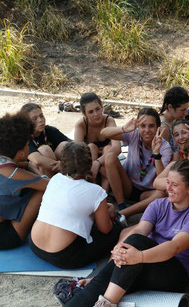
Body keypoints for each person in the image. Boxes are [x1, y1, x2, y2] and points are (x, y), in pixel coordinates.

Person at [19, 160, 189, 307]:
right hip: (145, 262)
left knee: (133, 246)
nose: (169, 188)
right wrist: (120, 252)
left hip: (174, 272)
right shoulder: (159, 205)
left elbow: (173, 248)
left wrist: (137, 255)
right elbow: (140, 229)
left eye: (175, 185)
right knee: (107, 274)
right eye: (168, 182)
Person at [29, 141, 120, 268]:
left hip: (34, 244)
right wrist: (110, 215)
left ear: (63, 163)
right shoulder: (96, 191)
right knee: (117, 232)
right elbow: (105, 230)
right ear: (89, 164)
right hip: (62, 256)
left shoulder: (55, 180)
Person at [99, 108, 172, 218]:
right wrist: (124, 128)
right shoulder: (134, 134)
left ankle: (122, 214)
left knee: (161, 194)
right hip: (128, 185)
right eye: (143, 126)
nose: (147, 130)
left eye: (151, 126)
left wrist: (156, 153)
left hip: (147, 192)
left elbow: (161, 178)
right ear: (138, 126)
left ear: (158, 128)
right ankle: (121, 204)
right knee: (109, 157)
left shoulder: (165, 147)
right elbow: (103, 133)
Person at [0, 112, 48, 250]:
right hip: (5, 236)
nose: (29, 148)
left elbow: (26, 163)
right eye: (28, 145)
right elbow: (51, 186)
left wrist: (38, 177)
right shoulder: (14, 173)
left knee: (35, 185)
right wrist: (41, 178)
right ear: (21, 152)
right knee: (40, 191)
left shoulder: (4, 160)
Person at [74, 92, 121, 187]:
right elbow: (76, 152)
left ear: (102, 107)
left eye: (98, 109)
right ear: (84, 113)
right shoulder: (81, 125)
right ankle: (93, 187)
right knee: (91, 147)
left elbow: (117, 148)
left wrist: (98, 162)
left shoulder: (109, 120)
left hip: (106, 162)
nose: (96, 114)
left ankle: (104, 194)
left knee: (107, 149)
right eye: (91, 112)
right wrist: (93, 164)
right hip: (89, 162)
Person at [20, 103, 69, 177]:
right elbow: (37, 160)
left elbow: (73, 145)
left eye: (41, 116)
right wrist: (64, 166)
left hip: (57, 169)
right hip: (34, 175)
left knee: (65, 145)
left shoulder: (50, 130)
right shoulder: (23, 136)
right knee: (45, 150)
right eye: (34, 119)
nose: (40, 120)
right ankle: (48, 186)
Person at [159, 86, 189, 151]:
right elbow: (165, 155)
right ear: (170, 107)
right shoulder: (163, 128)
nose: (186, 113)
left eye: (186, 109)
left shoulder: (175, 117)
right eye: (182, 110)